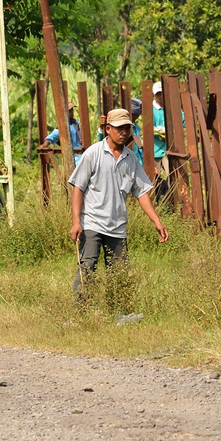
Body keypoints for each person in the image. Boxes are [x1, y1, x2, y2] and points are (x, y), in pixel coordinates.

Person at [69, 108, 168, 299]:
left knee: (119, 273)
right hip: (92, 223)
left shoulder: (130, 159)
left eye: (127, 129)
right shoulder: (93, 154)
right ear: (108, 129)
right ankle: (79, 312)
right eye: (119, 128)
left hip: (117, 227)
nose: (123, 133)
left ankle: (119, 313)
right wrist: (76, 222)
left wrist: (157, 221)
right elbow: (77, 188)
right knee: (87, 267)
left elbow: (142, 193)